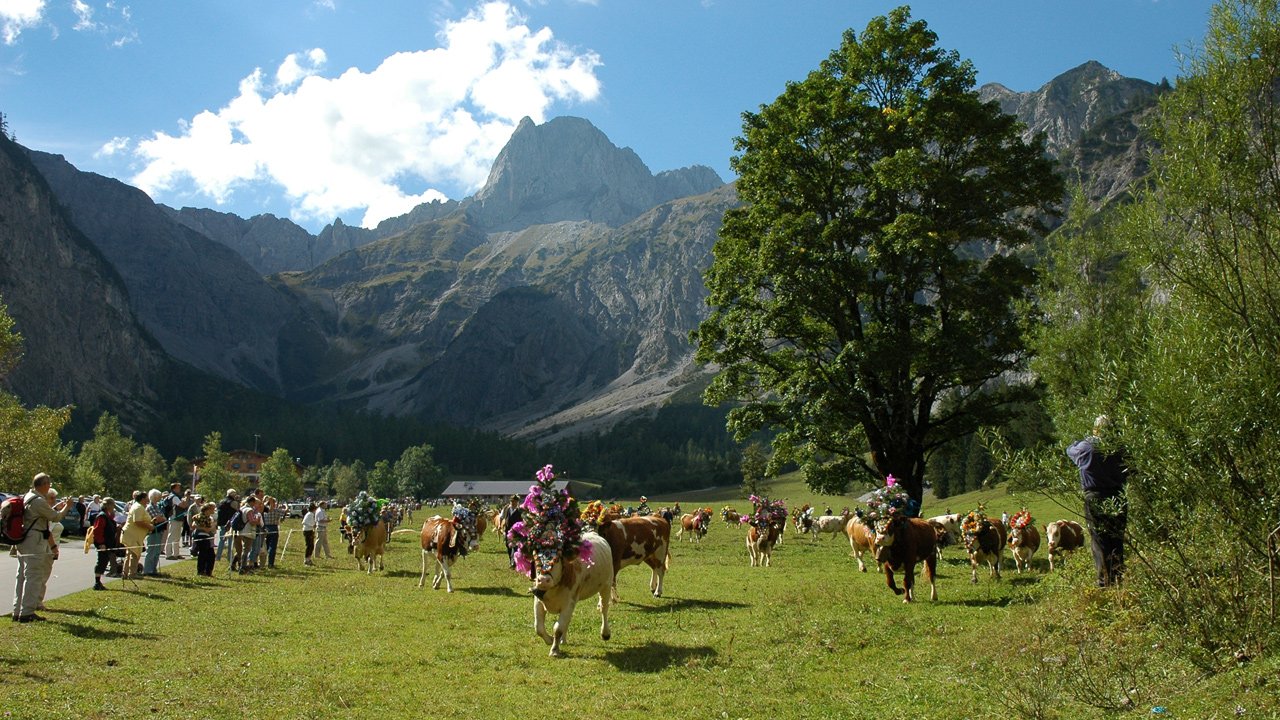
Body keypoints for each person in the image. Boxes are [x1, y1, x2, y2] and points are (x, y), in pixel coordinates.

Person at [1066, 414, 1129, 587]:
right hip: (1118, 496)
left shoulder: (1086, 448)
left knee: (1099, 539)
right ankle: (1118, 578)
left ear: (1096, 429)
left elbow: (1069, 449)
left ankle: (1104, 582)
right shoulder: (1119, 448)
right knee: (1116, 538)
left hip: (1094, 496)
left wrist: (1089, 437)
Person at [11, 473, 70, 622]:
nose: (49, 486)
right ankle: (27, 612)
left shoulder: (27, 496)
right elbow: (55, 517)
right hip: (35, 540)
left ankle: (17, 610)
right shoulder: (38, 501)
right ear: (43, 485)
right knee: (34, 576)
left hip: (24, 539)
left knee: (22, 576)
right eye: (48, 483)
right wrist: (67, 508)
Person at [90, 498, 122, 590]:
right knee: (101, 561)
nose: (113, 507)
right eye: (112, 505)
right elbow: (97, 531)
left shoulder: (108, 516)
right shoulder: (102, 516)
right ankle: (97, 582)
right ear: (108, 506)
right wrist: (101, 543)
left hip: (108, 543)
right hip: (103, 544)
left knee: (104, 561)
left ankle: (99, 581)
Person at [120, 490, 152, 580]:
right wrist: (149, 526)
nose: (148, 500)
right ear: (142, 499)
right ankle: (132, 574)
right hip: (132, 535)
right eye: (146, 498)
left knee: (130, 554)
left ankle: (125, 573)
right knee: (134, 554)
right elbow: (137, 521)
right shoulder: (138, 507)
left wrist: (151, 523)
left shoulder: (139, 507)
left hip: (133, 535)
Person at [142, 488, 167, 576]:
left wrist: (161, 518)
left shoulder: (157, 506)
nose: (160, 498)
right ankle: (147, 570)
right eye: (158, 497)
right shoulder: (150, 507)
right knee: (151, 551)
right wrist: (160, 518)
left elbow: (164, 518)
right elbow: (156, 518)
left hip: (159, 531)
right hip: (153, 532)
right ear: (154, 497)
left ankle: (153, 569)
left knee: (157, 551)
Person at [189, 501, 217, 577]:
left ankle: (208, 571)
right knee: (203, 554)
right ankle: (201, 571)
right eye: (211, 509)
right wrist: (205, 528)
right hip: (201, 536)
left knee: (211, 555)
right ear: (207, 510)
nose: (213, 511)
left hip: (207, 537)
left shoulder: (209, 518)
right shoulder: (200, 516)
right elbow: (194, 525)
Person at [163, 482, 187, 559]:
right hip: (174, 518)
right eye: (178, 488)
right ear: (174, 488)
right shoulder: (174, 497)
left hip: (178, 518)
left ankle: (176, 553)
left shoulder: (175, 496)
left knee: (177, 537)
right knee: (171, 536)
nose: (179, 489)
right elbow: (182, 505)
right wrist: (185, 499)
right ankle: (168, 554)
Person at [215, 489, 239, 562]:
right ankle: (229, 557)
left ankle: (218, 557)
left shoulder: (221, 501)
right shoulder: (233, 502)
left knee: (221, 541)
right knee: (230, 541)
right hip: (230, 524)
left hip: (222, 523)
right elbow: (238, 510)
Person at [261, 497, 285, 569]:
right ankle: (270, 563)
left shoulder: (263, 510)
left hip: (265, 528)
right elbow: (284, 512)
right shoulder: (276, 510)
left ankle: (262, 562)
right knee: (272, 547)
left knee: (265, 546)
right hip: (273, 528)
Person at [501, 494, 523, 568]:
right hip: (508, 531)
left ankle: (514, 563)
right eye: (512, 501)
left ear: (517, 502)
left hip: (517, 532)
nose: (513, 503)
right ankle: (511, 560)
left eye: (514, 501)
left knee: (515, 547)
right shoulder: (507, 509)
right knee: (508, 547)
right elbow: (503, 518)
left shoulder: (520, 510)